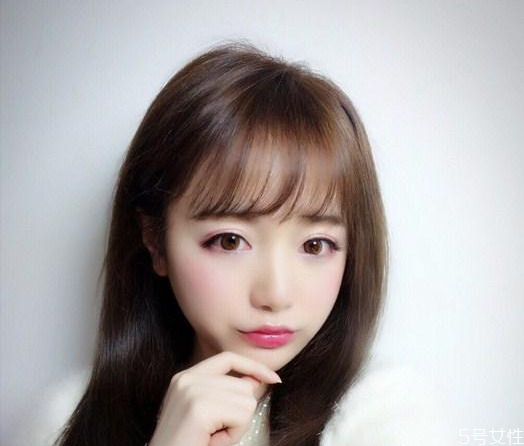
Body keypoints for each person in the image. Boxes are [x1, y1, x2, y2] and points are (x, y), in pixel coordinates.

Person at [27, 42, 449, 446]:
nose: (275, 295)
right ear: (155, 240)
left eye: (316, 245)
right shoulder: (65, 423)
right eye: (230, 241)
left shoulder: (382, 418)